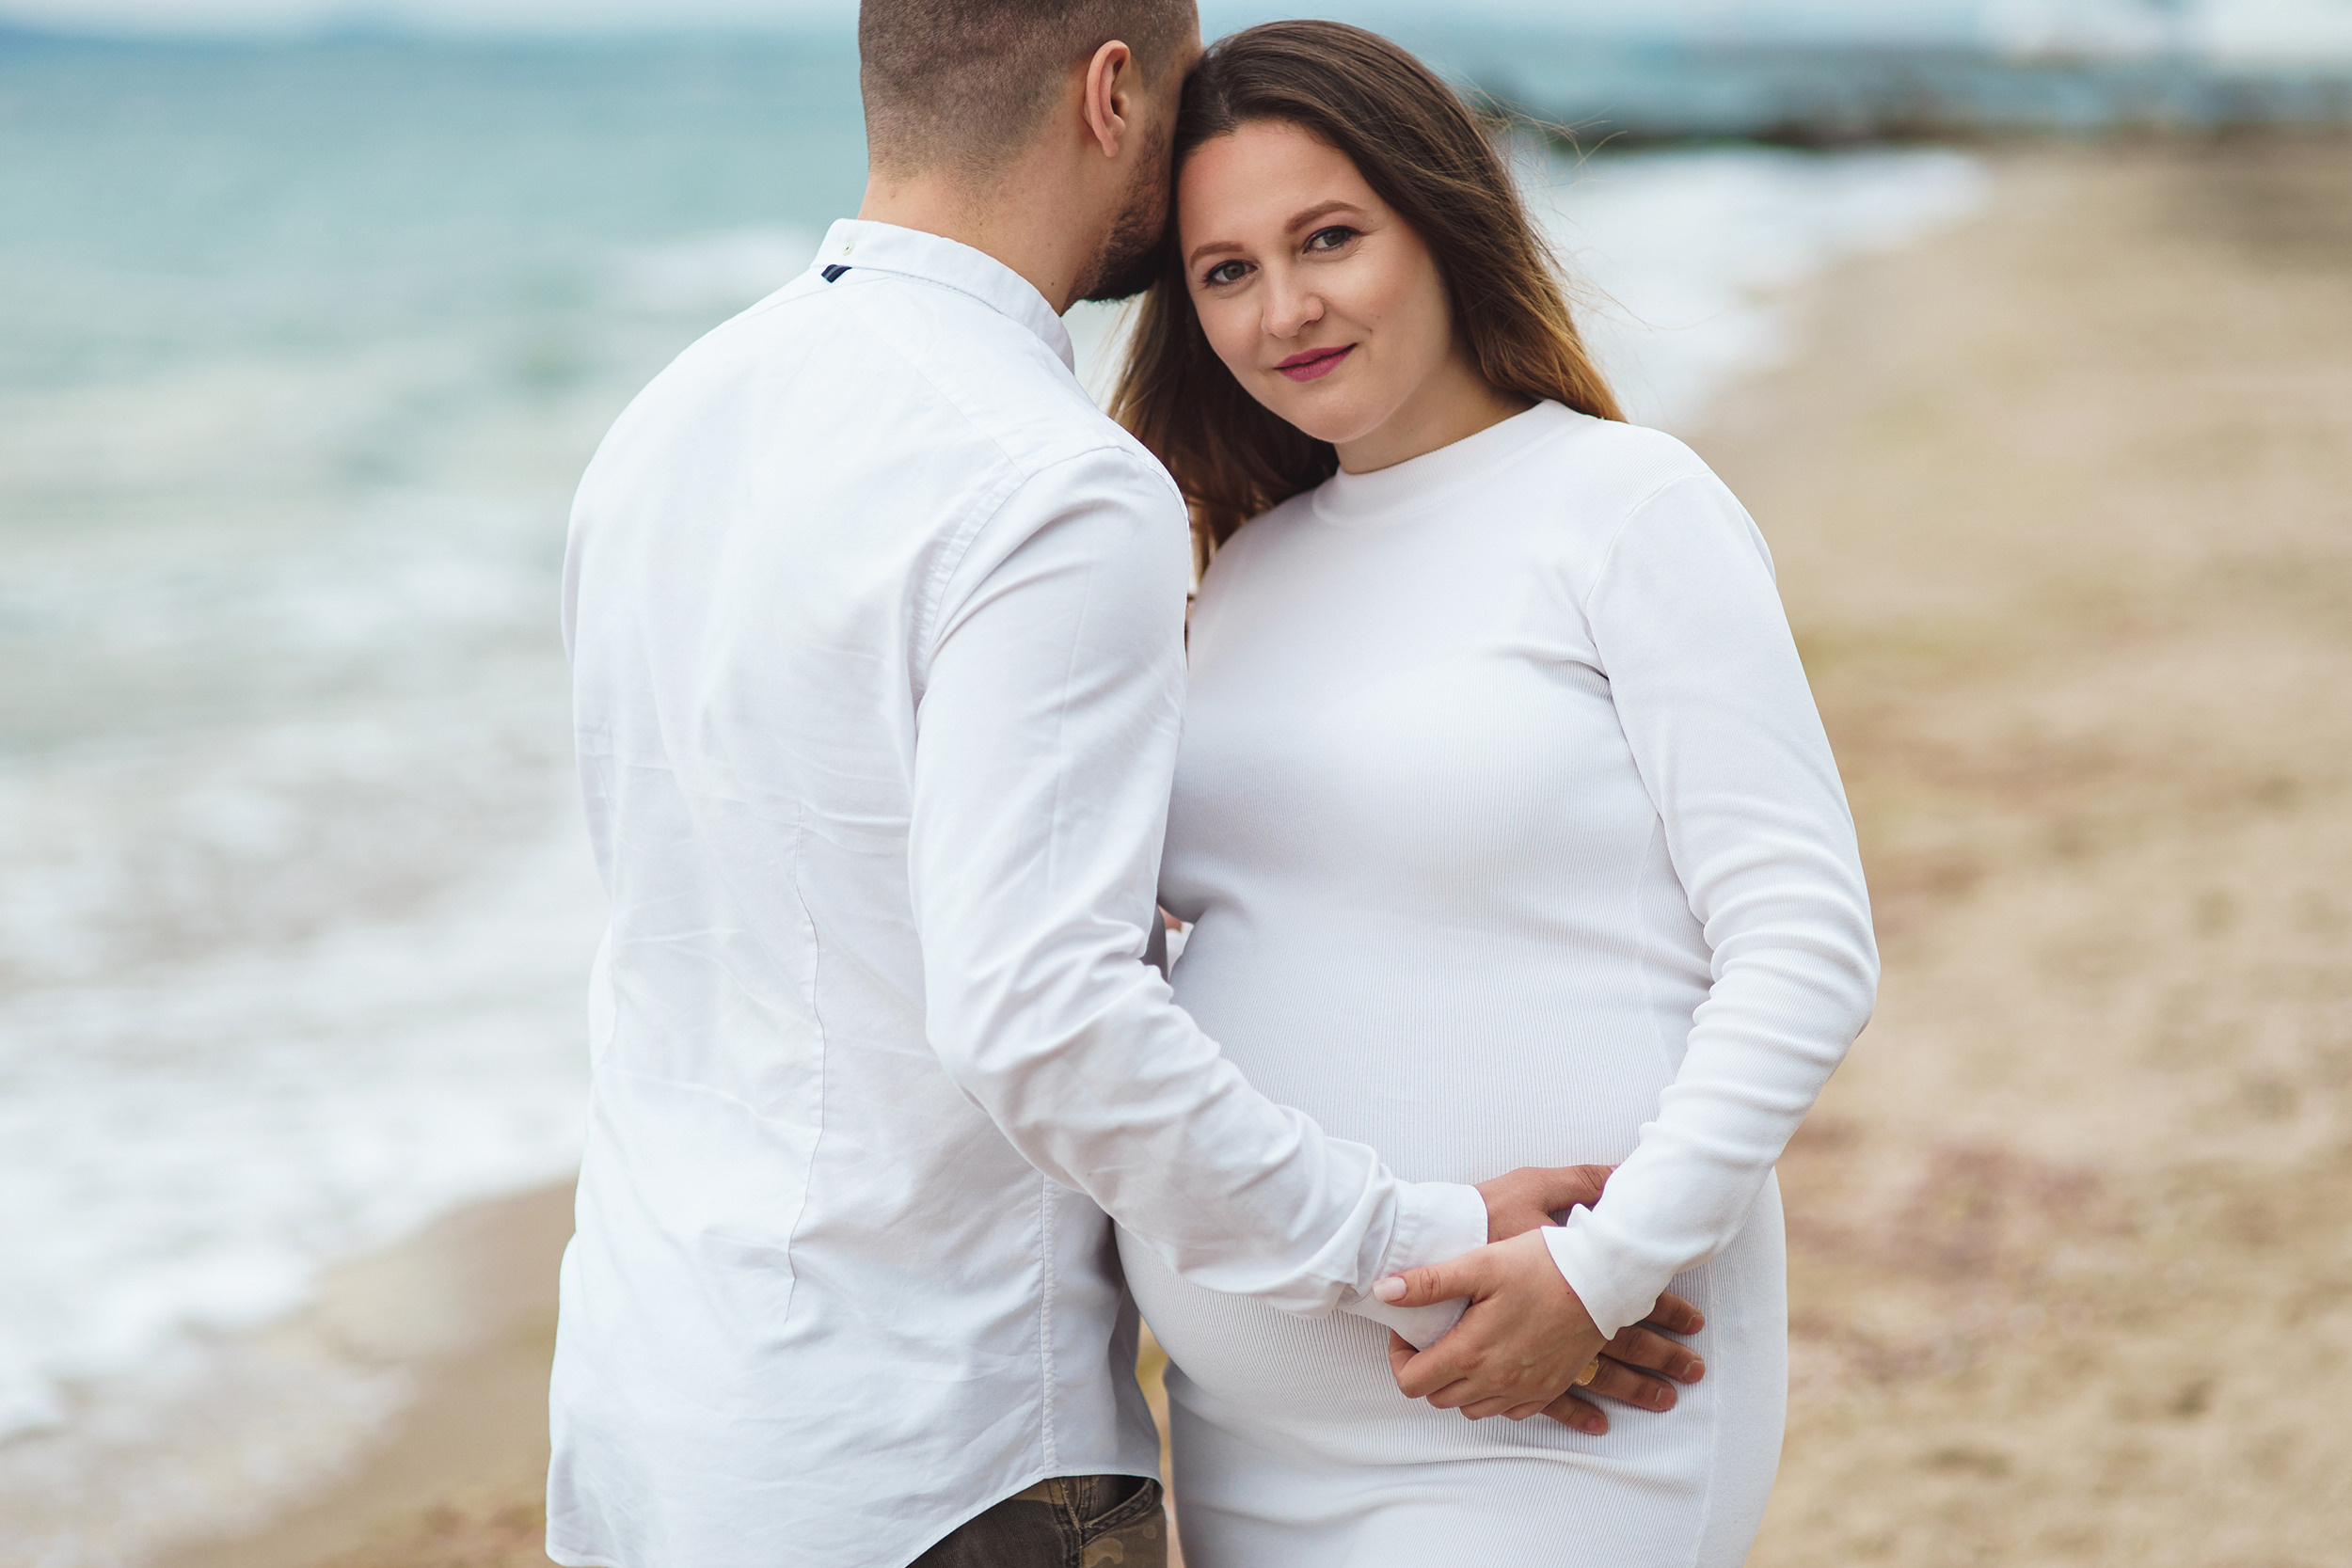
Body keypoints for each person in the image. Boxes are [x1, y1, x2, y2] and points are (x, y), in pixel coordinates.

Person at [547, 4, 1695, 1565]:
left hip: (647, 1412)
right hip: (923, 1457)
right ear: (1109, 94)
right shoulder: (1049, 480)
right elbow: (1039, 1017)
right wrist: (1411, 1241)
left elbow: (764, 887)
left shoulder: (665, 423)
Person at [1107, 20, 1881, 1566]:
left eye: (1330, 239)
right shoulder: (1236, 571)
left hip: (1579, 1400)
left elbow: (1807, 945)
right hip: (1255, 1432)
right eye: (1229, 271)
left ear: (1446, 220)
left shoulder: (1624, 506)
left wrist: (1598, 1275)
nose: (1287, 308)